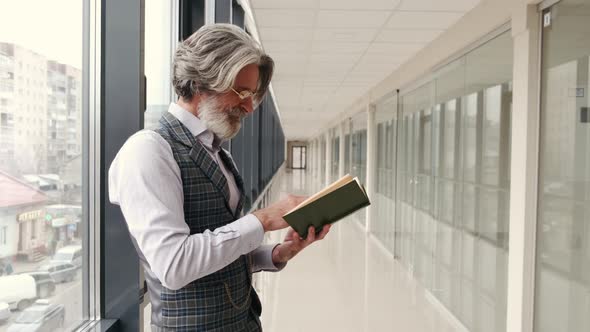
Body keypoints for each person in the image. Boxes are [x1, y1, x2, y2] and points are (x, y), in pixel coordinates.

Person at [109, 24, 330, 331]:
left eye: (252, 95)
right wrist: (263, 219)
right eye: (241, 92)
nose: (249, 107)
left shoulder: (216, 151)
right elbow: (174, 265)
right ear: (201, 81)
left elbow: (219, 251)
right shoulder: (147, 152)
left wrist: (277, 253)